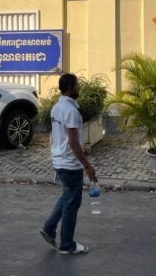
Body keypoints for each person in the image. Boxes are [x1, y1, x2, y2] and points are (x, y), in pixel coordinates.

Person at [40, 73, 98, 255]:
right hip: (70, 163)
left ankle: (49, 228)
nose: (79, 88)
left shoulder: (57, 107)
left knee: (67, 196)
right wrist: (87, 166)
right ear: (70, 88)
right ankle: (67, 245)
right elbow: (74, 143)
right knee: (72, 203)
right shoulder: (71, 111)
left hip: (59, 159)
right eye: (77, 85)